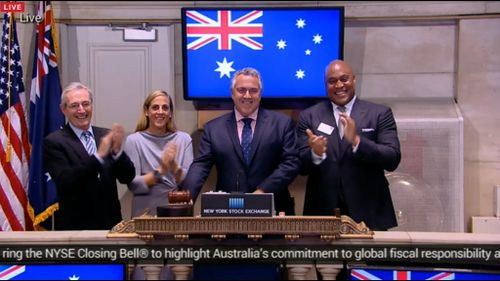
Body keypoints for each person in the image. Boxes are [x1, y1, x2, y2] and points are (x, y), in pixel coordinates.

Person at [296, 60, 401, 231]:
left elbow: (392, 158)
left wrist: (358, 141)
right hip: (323, 211)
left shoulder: (380, 113)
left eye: (344, 79)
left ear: (353, 80)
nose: (339, 85)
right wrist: (315, 154)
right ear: (326, 85)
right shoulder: (309, 116)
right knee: (323, 259)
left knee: (375, 259)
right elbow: (300, 166)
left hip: (370, 210)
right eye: (332, 81)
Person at [181, 67, 300, 215]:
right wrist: (185, 198)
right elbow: (200, 167)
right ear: (232, 93)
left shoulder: (282, 124)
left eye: (253, 90)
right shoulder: (213, 129)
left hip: (275, 210)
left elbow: (291, 163)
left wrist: (263, 190)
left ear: (260, 94)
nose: (247, 95)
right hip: (228, 212)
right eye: (241, 90)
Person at [43, 82, 135, 230]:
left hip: (111, 226)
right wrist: (98, 157)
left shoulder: (104, 135)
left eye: (86, 104)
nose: (81, 110)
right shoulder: (54, 141)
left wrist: (117, 153)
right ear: (63, 109)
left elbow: (127, 177)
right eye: (74, 105)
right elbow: (66, 180)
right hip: (75, 228)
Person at [123, 90, 193, 217]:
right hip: (144, 213)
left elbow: (189, 182)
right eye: (155, 107)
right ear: (146, 111)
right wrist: (161, 170)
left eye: (165, 108)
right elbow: (134, 185)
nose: (160, 112)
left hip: (176, 212)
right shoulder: (134, 140)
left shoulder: (184, 139)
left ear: (170, 113)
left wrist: (173, 166)